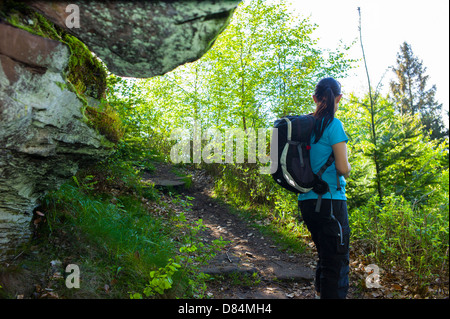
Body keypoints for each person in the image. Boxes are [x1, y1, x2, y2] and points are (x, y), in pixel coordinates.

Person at [298, 77, 351, 299]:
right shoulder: (334, 125)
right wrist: (347, 165)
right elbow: (342, 167)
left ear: (314, 98)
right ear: (338, 98)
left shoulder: (304, 125)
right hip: (331, 202)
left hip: (307, 203)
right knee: (336, 263)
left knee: (325, 256)